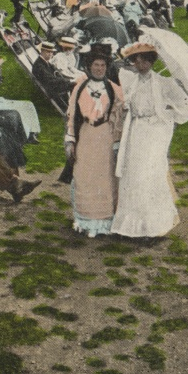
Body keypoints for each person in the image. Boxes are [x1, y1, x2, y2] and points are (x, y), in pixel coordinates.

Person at [111, 42, 188, 238]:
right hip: (135, 131)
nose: (139, 63)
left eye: (143, 59)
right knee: (131, 175)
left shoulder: (165, 83)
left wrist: (167, 114)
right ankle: (130, 226)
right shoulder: (131, 81)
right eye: (136, 59)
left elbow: (185, 106)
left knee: (148, 175)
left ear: (151, 60)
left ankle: (151, 226)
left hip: (154, 132)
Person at [65, 47, 125, 237]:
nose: (99, 68)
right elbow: (72, 114)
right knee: (84, 174)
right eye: (96, 65)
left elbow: (120, 114)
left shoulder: (114, 89)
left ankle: (105, 221)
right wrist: (70, 139)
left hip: (105, 136)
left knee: (105, 176)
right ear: (89, 67)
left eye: (102, 65)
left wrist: (117, 139)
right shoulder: (80, 87)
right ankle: (85, 220)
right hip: (86, 134)